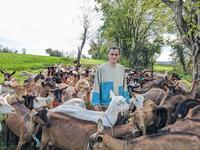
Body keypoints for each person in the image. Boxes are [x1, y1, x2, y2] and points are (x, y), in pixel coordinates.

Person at [91, 46, 130, 111]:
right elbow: (96, 87)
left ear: (119, 56)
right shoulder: (101, 69)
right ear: (108, 55)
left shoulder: (122, 69)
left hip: (119, 104)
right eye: (112, 54)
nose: (114, 57)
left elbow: (124, 87)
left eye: (116, 54)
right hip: (105, 105)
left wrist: (127, 101)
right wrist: (96, 103)